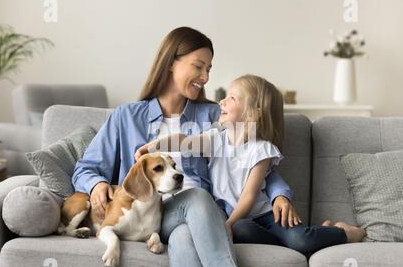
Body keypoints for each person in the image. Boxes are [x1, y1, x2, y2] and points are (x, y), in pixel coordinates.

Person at [72, 27, 296, 267]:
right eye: (198, 67)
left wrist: (280, 195)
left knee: (186, 233)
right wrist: (96, 184)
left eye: (209, 69)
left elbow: (255, 157)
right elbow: (85, 169)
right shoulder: (126, 116)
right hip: (148, 215)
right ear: (170, 63)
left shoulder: (215, 115)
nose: (205, 77)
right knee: (198, 197)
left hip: (195, 219)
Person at [136, 74, 366, 257]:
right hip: (241, 222)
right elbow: (184, 141)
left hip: (265, 215)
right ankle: (319, 234)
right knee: (241, 230)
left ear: (252, 113)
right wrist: (156, 144)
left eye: (232, 99)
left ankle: (344, 232)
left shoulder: (261, 149)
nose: (221, 102)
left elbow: (249, 195)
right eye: (224, 97)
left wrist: (228, 223)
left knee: (300, 240)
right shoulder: (216, 138)